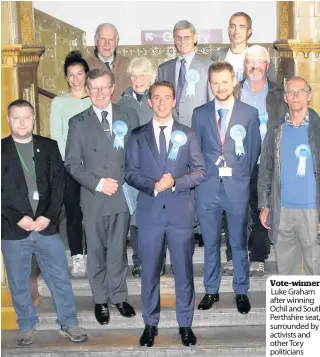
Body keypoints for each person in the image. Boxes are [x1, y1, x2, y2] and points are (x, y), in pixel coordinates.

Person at [125, 80, 205, 347]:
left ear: (174, 101)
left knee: (183, 272)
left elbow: (200, 171)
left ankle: (185, 324)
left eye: (166, 97)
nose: (161, 102)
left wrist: (175, 182)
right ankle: (150, 323)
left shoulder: (189, 134)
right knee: (149, 273)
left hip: (180, 213)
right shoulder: (137, 135)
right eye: (156, 97)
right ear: (150, 102)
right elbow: (130, 172)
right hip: (149, 214)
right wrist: (152, 185)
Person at [1, 99, 88, 346]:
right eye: (16, 117)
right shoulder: (1, 150)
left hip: (46, 226)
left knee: (59, 277)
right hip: (12, 229)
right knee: (18, 281)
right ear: (8, 119)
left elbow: (58, 186)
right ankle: (26, 325)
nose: (21, 122)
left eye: (26, 117)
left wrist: (47, 216)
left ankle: (69, 322)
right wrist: (19, 218)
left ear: (33, 119)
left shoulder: (48, 147)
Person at [65, 68, 139, 326]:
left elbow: (137, 154)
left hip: (121, 195)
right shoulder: (78, 122)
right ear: (87, 90)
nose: (99, 93)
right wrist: (98, 183)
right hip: (94, 196)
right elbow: (72, 164)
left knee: (118, 250)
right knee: (96, 251)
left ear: (112, 88)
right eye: (93, 88)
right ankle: (100, 300)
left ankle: (119, 296)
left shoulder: (128, 115)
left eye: (103, 87)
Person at [192, 61, 261, 315]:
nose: (220, 87)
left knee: (238, 243)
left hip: (236, 189)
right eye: (215, 82)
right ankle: (211, 290)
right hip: (208, 189)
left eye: (224, 81)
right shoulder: (200, 114)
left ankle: (241, 290)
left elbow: (254, 150)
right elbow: (195, 151)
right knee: (210, 243)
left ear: (233, 81)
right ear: (210, 85)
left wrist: (239, 175)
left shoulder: (248, 114)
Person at [222, 45, 288, 277]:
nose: (254, 66)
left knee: (263, 208)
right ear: (244, 66)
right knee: (234, 209)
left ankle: (258, 256)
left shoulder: (279, 94)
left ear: (267, 66)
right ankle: (233, 255)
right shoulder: (234, 91)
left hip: (267, 162)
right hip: (237, 163)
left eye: (260, 62)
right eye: (250, 62)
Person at [158, 19, 212, 246]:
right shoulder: (164, 68)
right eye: (178, 37)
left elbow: (211, 103)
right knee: (175, 179)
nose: (182, 41)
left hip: (197, 134)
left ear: (195, 38)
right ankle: (176, 225)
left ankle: (197, 228)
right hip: (171, 136)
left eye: (187, 37)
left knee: (195, 180)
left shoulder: (207, 66)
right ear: (174, 40)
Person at [258, 76, 320, 276]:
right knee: (286, 270)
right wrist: (265, 205)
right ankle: (293, 308)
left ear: (309, 95)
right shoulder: (276, 130)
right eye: (291, 92)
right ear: (285, 97)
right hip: (282, 210)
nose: (295, 96)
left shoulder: (318, 130)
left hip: (311, 212)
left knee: (315, 269)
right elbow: (265, 170)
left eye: (301, 91)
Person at [118, 57, 166, 278]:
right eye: (135, 76)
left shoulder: (157, 99)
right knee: (136, 216)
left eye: (143, 75)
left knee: (157, 216)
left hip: (155, 166)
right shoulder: (121, 101)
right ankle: (138, 260)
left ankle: (158, 260)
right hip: (132, 167)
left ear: (151, 77)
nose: (138, 80)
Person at [50, 51, 91, 277]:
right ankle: (77, 256)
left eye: (79, 74)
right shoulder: (59, 102)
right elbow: (57, 137)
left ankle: (95, 254)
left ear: (86, 75)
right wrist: (70, 163)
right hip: (70, 166)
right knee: (73, 212)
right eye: (71, 75)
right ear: (66, 78)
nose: (75, 79)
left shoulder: (95, 98)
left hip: (94, 166)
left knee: (94, 212)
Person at [211, 12, 276, 82]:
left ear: (249, 31)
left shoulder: (261, 56)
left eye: (241, 27)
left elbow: (272, 86)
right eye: (233, 27)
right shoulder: (217, 56)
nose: (236, 31)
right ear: (228, 30)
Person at [86, 23, 131, 103]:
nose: (107, 44)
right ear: (96, 41)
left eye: (111, 39)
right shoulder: (85, 65)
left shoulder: (128, 64)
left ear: (116, 42)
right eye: (103, 39)